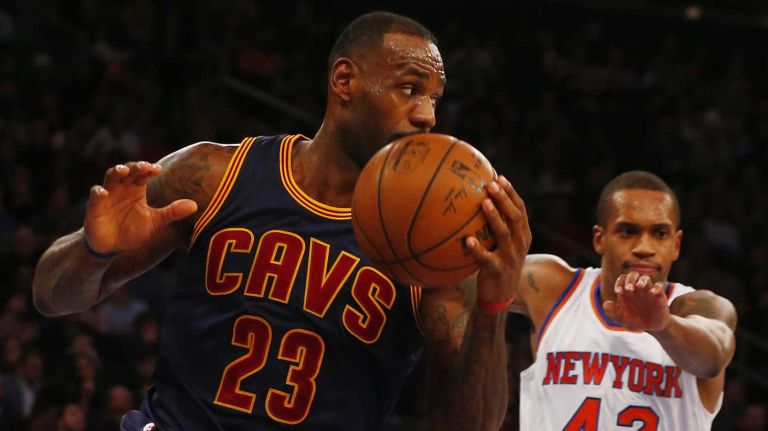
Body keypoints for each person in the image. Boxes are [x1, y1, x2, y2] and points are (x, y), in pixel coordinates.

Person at [32, 11, 531, 431]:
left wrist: (493, 305)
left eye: (434, 99)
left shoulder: (436, 252)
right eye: (409, 88)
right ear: (345, 81)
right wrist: (92, 252)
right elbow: (52, 297)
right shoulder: (215, 175)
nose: (427, 115)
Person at [512, 170, 736, 430]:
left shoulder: (698, 307)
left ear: (676, 245)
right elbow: (467, 283)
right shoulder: (552, 289)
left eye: (660, 233)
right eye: (628, 231)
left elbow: (714, 354)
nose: (644, 247)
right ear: (599, 238)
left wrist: (666, 327)